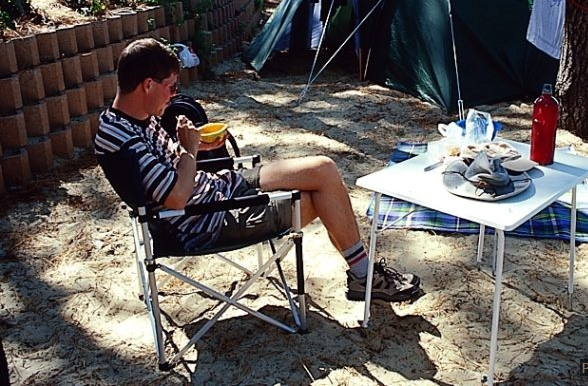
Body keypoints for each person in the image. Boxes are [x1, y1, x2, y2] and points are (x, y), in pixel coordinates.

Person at [95, 38, 422, 302]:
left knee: (323, 168)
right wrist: (190, 148)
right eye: (171, 87)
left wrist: (196, 147)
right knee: (317, 200)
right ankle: (365, 278)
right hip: (210, 218)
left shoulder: (131, 117)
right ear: (148, 85)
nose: (174, 95)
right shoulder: (120, 139)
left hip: (218, 187)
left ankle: (363, 276)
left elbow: (171, 168)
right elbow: (177, 199)